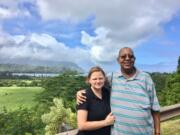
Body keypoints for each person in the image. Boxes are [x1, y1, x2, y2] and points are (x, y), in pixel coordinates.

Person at [77, 47, 161, 135]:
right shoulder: (112, 77)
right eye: (123, 56)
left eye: (130, 56)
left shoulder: (146, 78)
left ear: (134, 59)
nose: (127, 58)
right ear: (118, 60)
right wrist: (81, 92)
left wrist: (158, 132)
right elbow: (96, 84)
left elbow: (155, 109)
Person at [76, 66, 115, 135]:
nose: (98, 81)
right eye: (94, 79)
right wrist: (106, 122)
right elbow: (81, 125)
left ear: (104, 79)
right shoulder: (84, 96)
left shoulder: (107, 93)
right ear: (89, 80)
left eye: (100, 78)